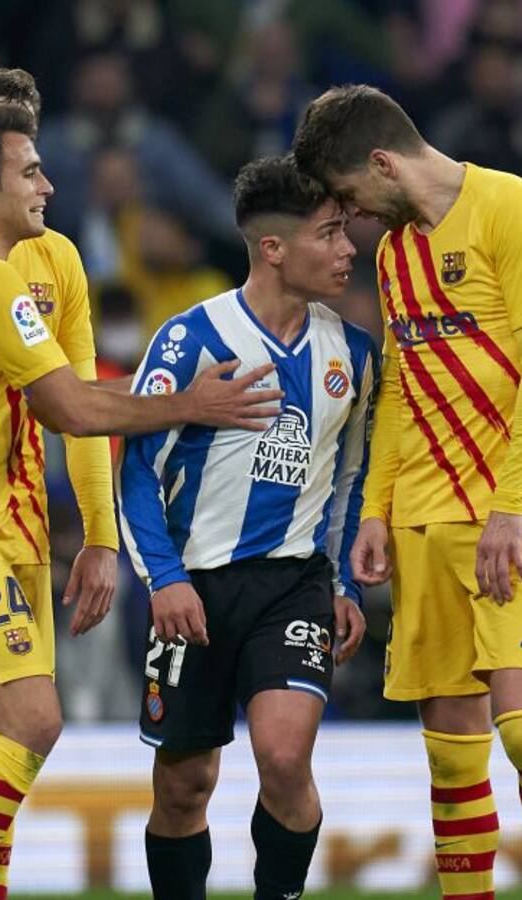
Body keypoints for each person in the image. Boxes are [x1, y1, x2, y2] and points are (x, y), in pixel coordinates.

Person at [0, 103, 280, 900]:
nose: (49, 185)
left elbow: (68, 396)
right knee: (34, 722)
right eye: (30, 171)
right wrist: (189, 404)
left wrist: (101, 519)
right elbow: (74, 410)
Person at [293, 85, 522, 900]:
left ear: (383, 162)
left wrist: (509, 506)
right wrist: (376, 510)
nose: (352, 216)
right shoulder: (395, 254)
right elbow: (401, 388)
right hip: (424, 518)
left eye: (350, 193)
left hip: (518, 513)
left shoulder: (515, 211)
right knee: (453, 759)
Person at [117, 156, 374, 900]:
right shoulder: (189, 340)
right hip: (193, 589)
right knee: (184, 788)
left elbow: (350, 482)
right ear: (273, 248)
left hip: (293, 586)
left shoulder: (356, 355)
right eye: (329, 233)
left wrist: (346, 584)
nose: (347, 249)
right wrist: (165, 579)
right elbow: (137, 471)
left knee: (285, 760)